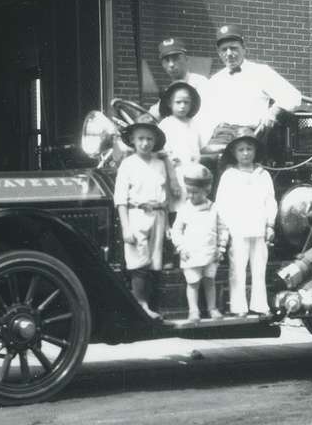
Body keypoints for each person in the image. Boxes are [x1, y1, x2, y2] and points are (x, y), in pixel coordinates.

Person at [114, 118, 174, 320]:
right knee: (138, 260)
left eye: (149, 139)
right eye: (140, 138)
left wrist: (166, 224)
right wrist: (126, 228)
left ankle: (152, 305)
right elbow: (120, 199)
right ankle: (140, 304)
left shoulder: (159, 164)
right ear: (132, 140)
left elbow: (164, 195)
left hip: (158, 215)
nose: (145, 143)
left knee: (154, 260)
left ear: (155, 141)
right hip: (137, 214)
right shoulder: (127, 164)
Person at [205, 24, 303, 148]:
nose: (229, 53)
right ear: (219, 53)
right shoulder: (215, 80)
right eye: (224, 49)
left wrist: (272, 113)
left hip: (250, 135)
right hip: (221, 136)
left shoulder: (261, 72)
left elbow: (293, 96)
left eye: (233, 48)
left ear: (244, 48)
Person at [214, 128, 278, 317]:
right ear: (234, 153)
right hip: (238, 230)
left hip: (259, 229)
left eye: (249, 149)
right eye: (241, 149)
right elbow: (222, 204)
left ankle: (259, 305)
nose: (245, 153)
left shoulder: (263, 175)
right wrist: (224, 229)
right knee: (237, 269)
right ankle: (238, 306)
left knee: (259, 268)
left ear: (255, 151)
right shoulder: (229, 176)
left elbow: (270, 201)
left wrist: (270, 225)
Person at [169, 163, 227, 323]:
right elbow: (176, 230)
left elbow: (222, 229)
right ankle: (193, 311)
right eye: (188, 192)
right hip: (191, 254)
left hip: (210, 253)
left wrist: (221, 247)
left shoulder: (214, 208)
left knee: (209, 281)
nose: (191, 195)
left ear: (206, 191)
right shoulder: (185, 209)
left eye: (195, 192)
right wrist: (181, 247)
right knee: (193, 283)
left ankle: (212, 308)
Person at [157, 81, 207, 214]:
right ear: (169, 103)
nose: (182, 106)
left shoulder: (194, 124)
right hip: (175, 175)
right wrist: (173, 181)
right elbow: (163, 154)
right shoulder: (166, 124)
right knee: (177, 210)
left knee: (193, 210)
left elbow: (202, 148)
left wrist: (224, 147)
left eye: (186, 102)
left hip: (193, 175)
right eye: (178, 102)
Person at [150, 37, 211, 126]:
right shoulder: (170, 90)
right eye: (167, 60)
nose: (171, 64)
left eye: (175, 58)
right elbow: (156, 112)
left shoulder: (200, 82)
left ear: (186, 59)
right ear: (163, 64)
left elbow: (205, 114)